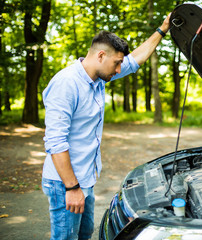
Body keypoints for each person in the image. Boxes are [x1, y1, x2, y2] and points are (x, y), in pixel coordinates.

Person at [41, 14, 171, 240]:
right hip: (66, 184)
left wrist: (163, 29)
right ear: (101, 56)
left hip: (84, 178)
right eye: (117, 63)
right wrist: (72, 189)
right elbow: (55, 142)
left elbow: (136, 59)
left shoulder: (98, 79)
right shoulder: (66, 84)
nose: (120, 69)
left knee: (83, 234)